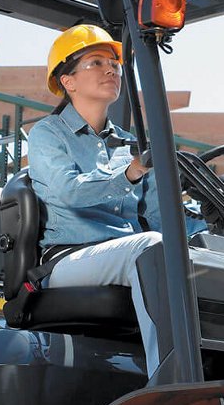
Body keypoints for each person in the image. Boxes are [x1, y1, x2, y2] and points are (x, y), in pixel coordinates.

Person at [26, 24, 164, 377]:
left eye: (114, 65)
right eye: (96, 62)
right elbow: (67, 191)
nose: (110, 70)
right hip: (68, 258)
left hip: (124, 254)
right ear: (68, 81)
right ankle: (167, 381)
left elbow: (161, 219)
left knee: (192, 255)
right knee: (150, 248)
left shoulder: (131, 146)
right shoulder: (47, 134)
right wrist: (129, 174)